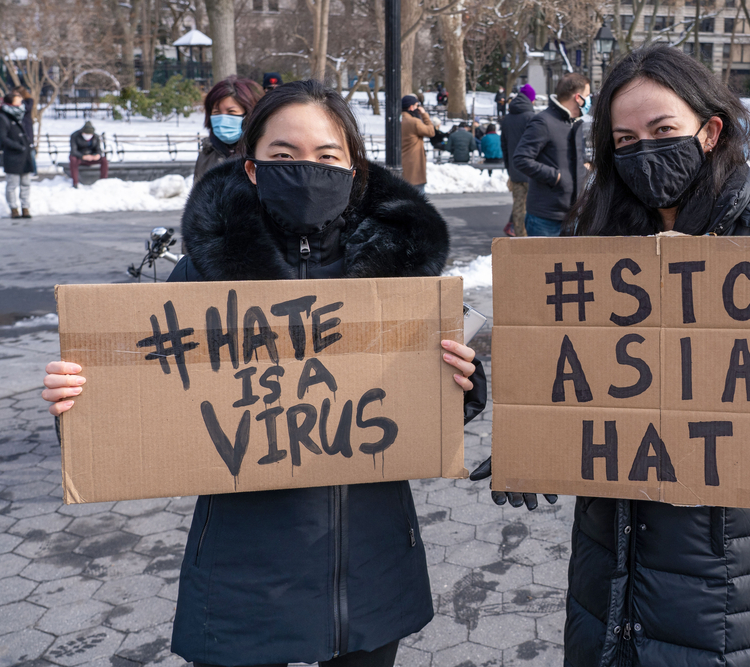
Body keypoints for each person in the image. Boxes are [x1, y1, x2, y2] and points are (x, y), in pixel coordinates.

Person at [473, 44, 750, 667]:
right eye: (625, 140)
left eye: (663, 131)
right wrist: (537, 434)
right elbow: (573, 365)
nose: (644, 151)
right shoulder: (597, 236)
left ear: (709, 131)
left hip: (722, 565)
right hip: (609, 547)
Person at [41, 79, 488, 667]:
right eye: (283, 156)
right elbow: (145, 403)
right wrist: (83, 402)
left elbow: (426, 405)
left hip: (370, 565)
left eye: (327, 156)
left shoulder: (399, 278)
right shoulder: (206, 274)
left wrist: (462, 383)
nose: (308, 169)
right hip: (242, 572)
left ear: (354, 167)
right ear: (251, 168)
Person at [512, 72, 590, 236]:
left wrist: (586, 166)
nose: (589, 101)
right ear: (578, 97)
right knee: (543, 263)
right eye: (587, 96)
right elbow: (521, 158)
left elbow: (574, 157)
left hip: (575, 214)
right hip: (546, 217)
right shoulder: (543, 121)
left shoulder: (574, 123)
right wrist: (555, 176)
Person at [194, 76, 264, 182]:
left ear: (249, 115)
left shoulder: (262, 154)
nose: (222, 119)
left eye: (231, 112)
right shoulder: (207, 153)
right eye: (216, 112)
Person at [501, 87, 536, 236]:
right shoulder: (532, 117)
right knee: (532, 207)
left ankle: (519, 236)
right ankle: (528, 237)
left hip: (515, 170)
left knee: (518, 205)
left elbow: (504, 146)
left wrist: (510, 168)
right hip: (531, 170)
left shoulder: (507, 118)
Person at [0, 91, 31, 218]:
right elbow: (3, 137)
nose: (21, 102)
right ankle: (14, 208)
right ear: (11, 102)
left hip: (25, 154)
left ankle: (25, 207)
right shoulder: (3, 116)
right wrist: (18, 147)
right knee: (12, 184)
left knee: (26, 183)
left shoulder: (21, 114)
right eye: (18, 100)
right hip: (12, 154)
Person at [400, 94, 436, 195]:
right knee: (419, 196)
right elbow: (431, 132)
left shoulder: (399, 120)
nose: (418, 108)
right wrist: (424, 115)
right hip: (414, 165)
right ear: (411, 107)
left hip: (402, 163)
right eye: (416, 105)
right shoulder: (414, 122)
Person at [68, 121, 109, 189]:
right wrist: (83, 156)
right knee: (73, 159)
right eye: (86, 134)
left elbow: (98, 149)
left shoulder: (95, 137)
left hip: (91, 157)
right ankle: (75, 182)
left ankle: (103, 180)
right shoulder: (75, 135)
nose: (88, 136)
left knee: (104, 159)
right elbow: (73, 151)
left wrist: (97, 155)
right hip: (80, 157)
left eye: (90, 134)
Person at [13, 86, 35, 175]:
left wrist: (20, 100)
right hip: (17, 129)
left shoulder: (28, 101)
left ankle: (33, 169)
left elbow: (27, 109)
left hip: (26, 128)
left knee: (30, 149)